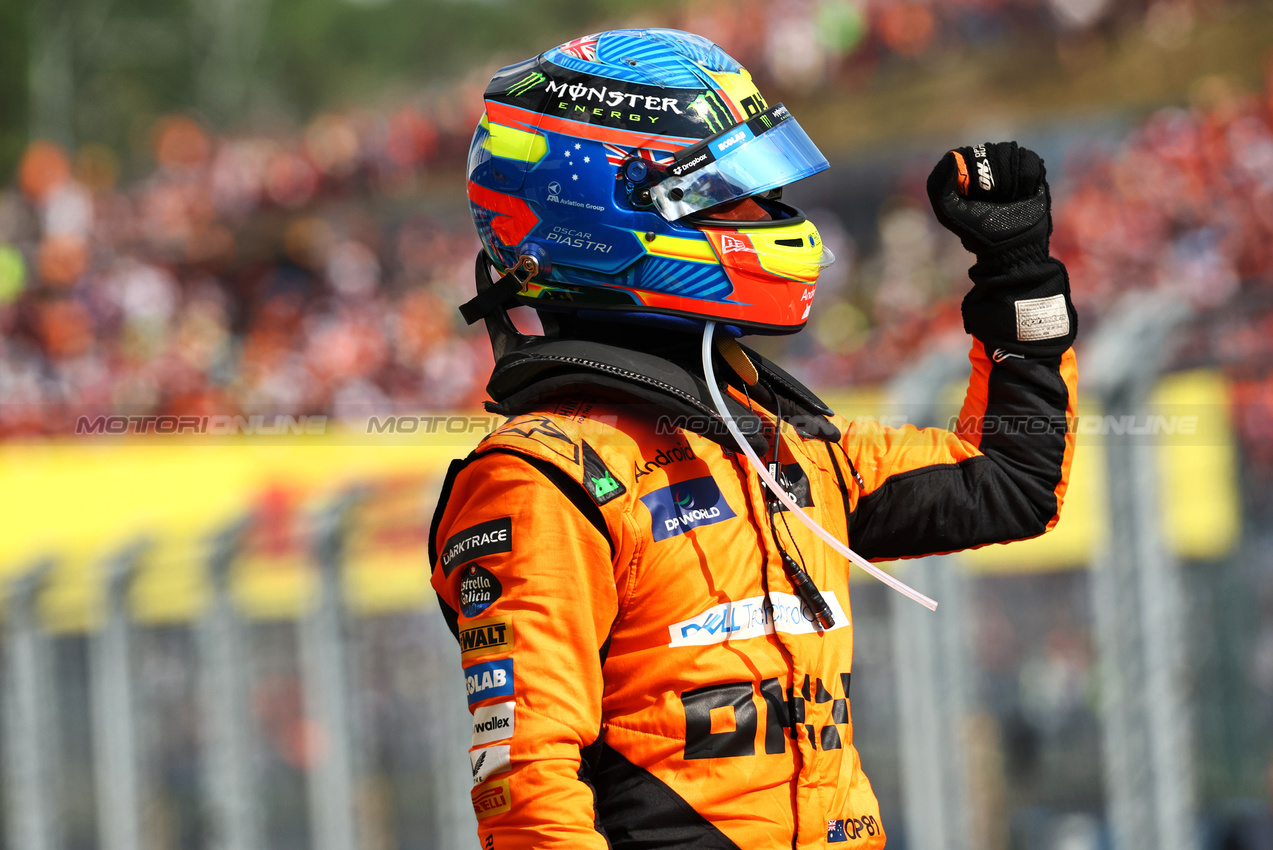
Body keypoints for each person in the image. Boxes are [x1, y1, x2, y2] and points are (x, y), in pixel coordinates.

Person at [429, 28, 1077, 850]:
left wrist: (1017, 273)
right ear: (605, 208)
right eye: (731, 191)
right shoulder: (544, 479)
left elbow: (1010, 482)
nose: (771, 218)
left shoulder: (780, 446)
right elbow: (529, 790)